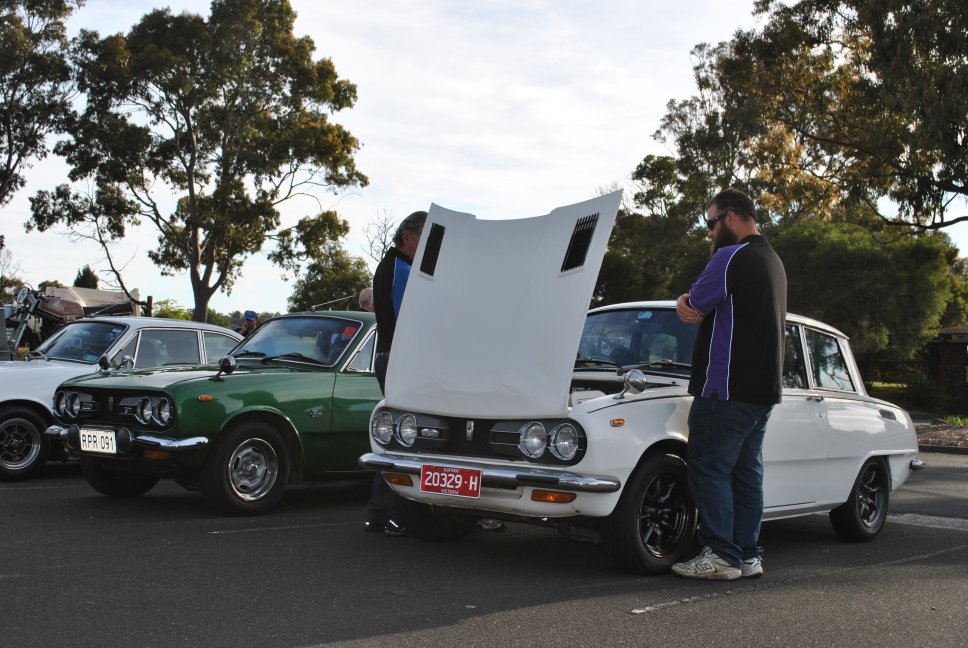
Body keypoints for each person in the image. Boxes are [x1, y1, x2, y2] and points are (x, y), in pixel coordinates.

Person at [671, 188, 787, 581]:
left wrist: (682, 299)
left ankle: (721, 554)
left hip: (725, 389)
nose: (709, 232)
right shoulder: (773, 261)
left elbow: (694, 307)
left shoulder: (730, 256)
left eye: (711, 222)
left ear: (732, 217)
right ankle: (747, 555)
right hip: (763, 390)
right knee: (746, 472)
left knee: (707, 467)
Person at [364, 211, 427, 536]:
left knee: (394, 436)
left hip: (386, 356)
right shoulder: (403, 271)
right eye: (423, 239)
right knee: (403, 437)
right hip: (399, 359)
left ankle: (379, 514)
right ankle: (392, 514)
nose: (426, 247)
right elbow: (410, 321)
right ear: (407, 237)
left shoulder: (387, 266)